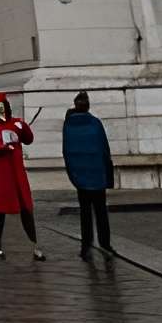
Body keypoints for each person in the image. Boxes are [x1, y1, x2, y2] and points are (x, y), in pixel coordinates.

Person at [0, 92, 43, 256]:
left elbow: (28, 139)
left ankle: (35, 245)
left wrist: (24, 127)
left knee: (26, 209)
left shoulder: (15, 122)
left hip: (16, 173)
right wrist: (0, 146)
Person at [61, 92, 115, 256]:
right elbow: (105, 150)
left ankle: (86, 246)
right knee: (101, 212)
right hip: (97, 174)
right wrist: (109, 174)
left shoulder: (69, 125)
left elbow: (66, 151)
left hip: (79, 176)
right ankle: (105, 244)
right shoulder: (95, 123)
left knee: (85, 213)